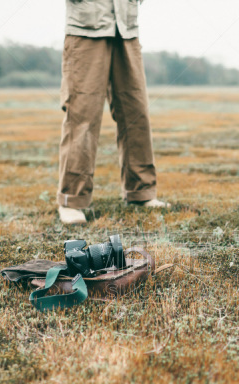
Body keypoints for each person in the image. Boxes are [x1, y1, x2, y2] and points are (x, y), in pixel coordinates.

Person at [57, 0, 169, 225]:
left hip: (126, 29)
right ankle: (72, 199)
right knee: (82, 116)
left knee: (136, 113)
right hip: (85, 28)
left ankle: (141, 192)